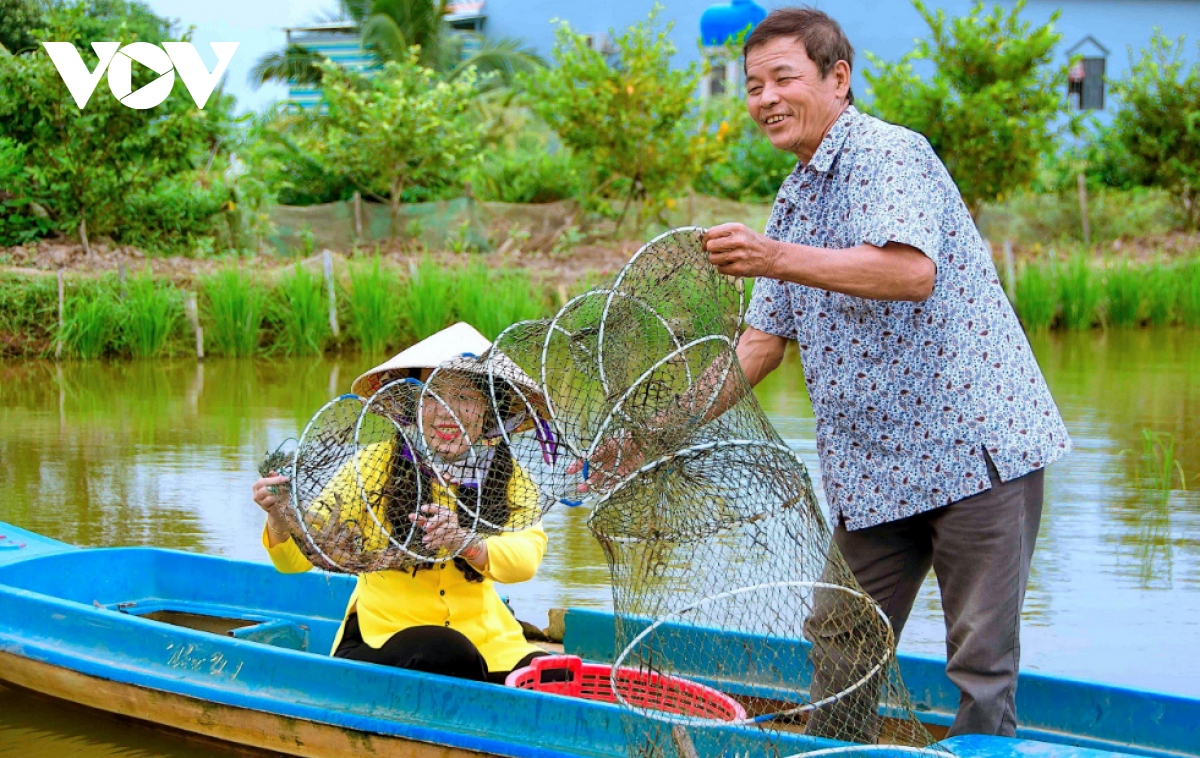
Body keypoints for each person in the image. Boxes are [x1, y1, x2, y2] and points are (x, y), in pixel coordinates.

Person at [695, 7, 1070, 739]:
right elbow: (761, 344)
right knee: (840, 639)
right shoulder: (794, 197)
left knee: (981, 663)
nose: (765, 98)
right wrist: (665, 424)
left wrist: (771, 257)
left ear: (838, 79)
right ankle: (839, 751)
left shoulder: (889, 154)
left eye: (783, 79)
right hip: (876, 473)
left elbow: (908, 271)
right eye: (751, 86)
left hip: (975, 453)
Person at [251, 322, 551, 684]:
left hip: (490, 642)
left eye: (465, 398)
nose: (446, 413)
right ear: (410, 404)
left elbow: (527, 556)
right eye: (432, 395)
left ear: (490, 410)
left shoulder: (507, 474)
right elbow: (298, 560)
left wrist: (466, 544)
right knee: (448, 651)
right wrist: (280, 517)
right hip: (385, 638)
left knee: (554, 674)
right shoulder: (374, 464)